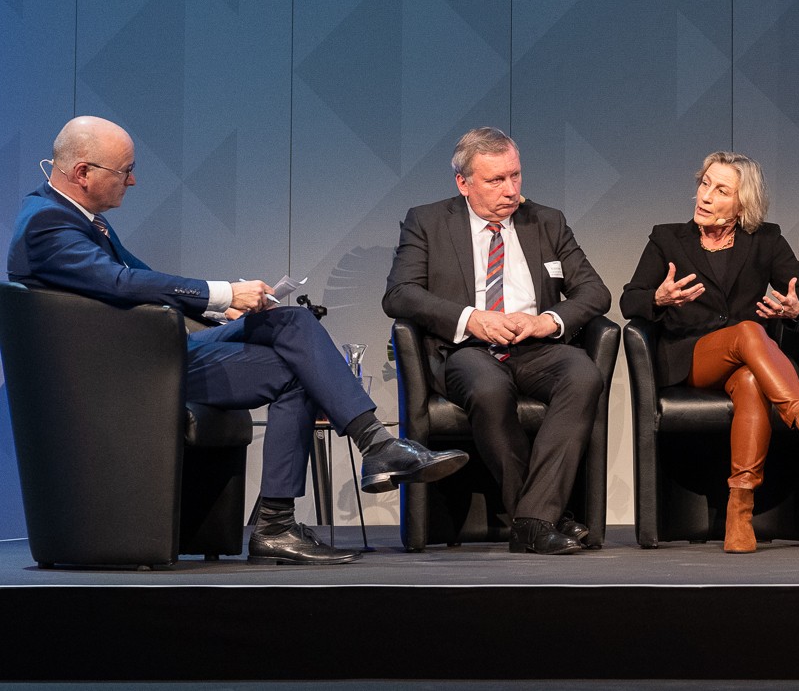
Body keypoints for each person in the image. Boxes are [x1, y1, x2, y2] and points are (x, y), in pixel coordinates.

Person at [8, 116, 467, 565]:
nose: (133, 181)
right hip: (128, 374)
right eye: (125, 170)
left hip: (153, 356)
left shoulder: (78, 218)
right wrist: (224, 291)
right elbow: (122, 284)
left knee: (290, 323)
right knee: (298, 367)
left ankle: (344, 473)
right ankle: (298, 509)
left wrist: (220, 307)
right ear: (83, 172)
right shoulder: (47, 224)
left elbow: (140, 279)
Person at [382, 128, 612, 555]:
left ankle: (531, 520)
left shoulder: (546, 220)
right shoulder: (428, 221)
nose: (511, 190)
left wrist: (547, 321)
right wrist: (472, 319)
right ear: (463, 183)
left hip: (535, 347)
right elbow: (399, 293)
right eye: (496, 181)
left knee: (583, 375)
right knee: (489, 389)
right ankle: (543, 518)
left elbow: (595, 293)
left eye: (515, 176)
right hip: (466, 351)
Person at [618, 152, 799, 554]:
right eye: (704, 184)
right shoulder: (668, 238)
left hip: (745, 363)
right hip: (691, 357)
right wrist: (659, 297)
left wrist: (796, 307)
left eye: (721, 190)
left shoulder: (766, 240)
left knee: (748, 380)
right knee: (748, 330)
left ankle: (739, 512)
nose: (705, 196)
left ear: (743, 204)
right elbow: (629, 300)